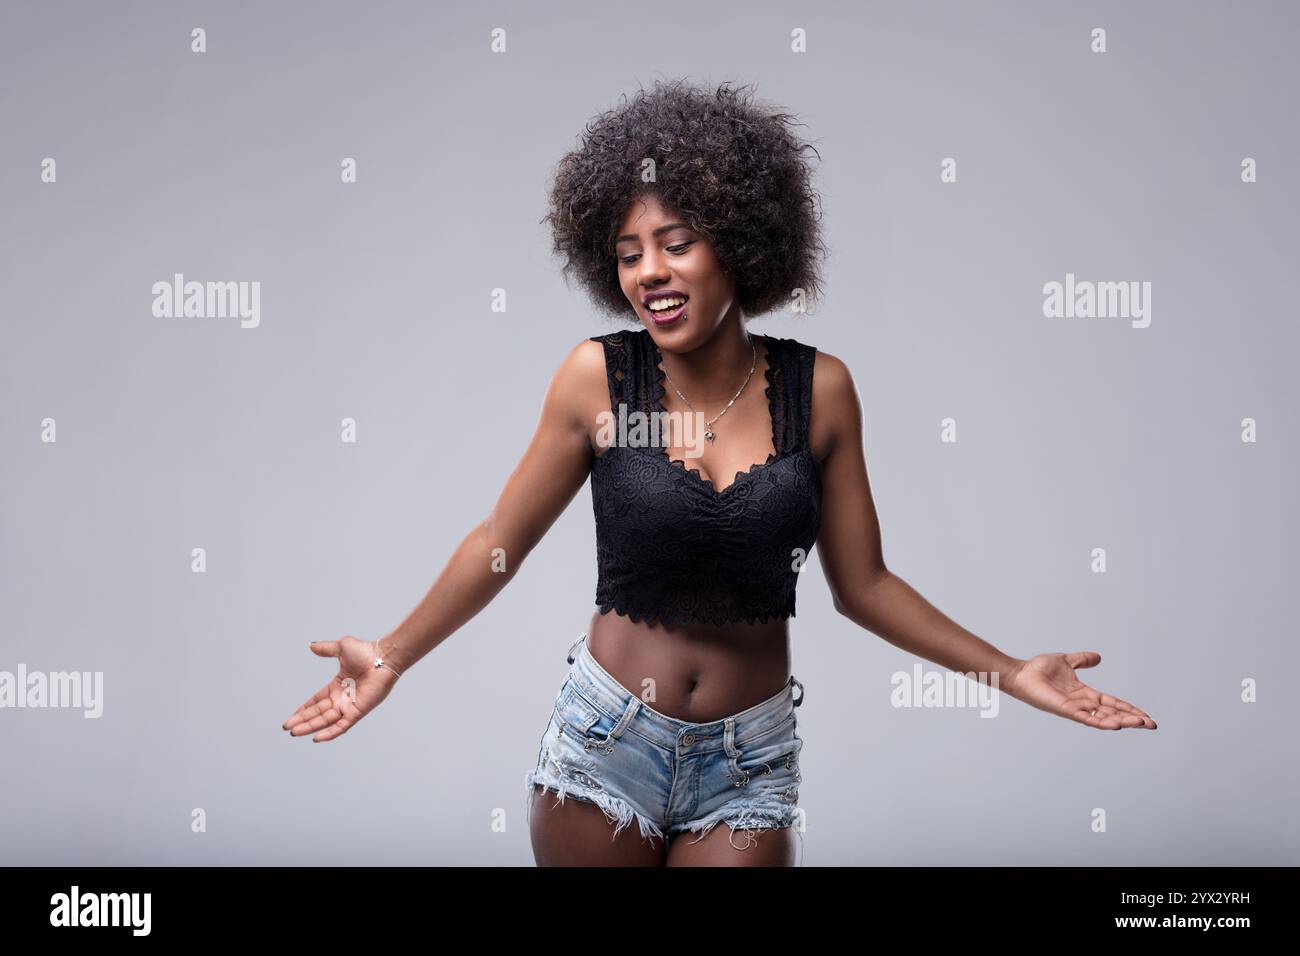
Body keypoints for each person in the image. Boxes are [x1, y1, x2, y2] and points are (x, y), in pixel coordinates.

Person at [281, 79, 1156, 867]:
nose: (650, 272)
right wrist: (392, 655)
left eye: (677, 242)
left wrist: (1009, 671)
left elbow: (866, 587)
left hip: (750, 762)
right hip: (604, 744)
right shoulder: (598, 377)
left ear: (739, 243)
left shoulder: (822, 392)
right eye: (628, 252)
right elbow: (497, 544)